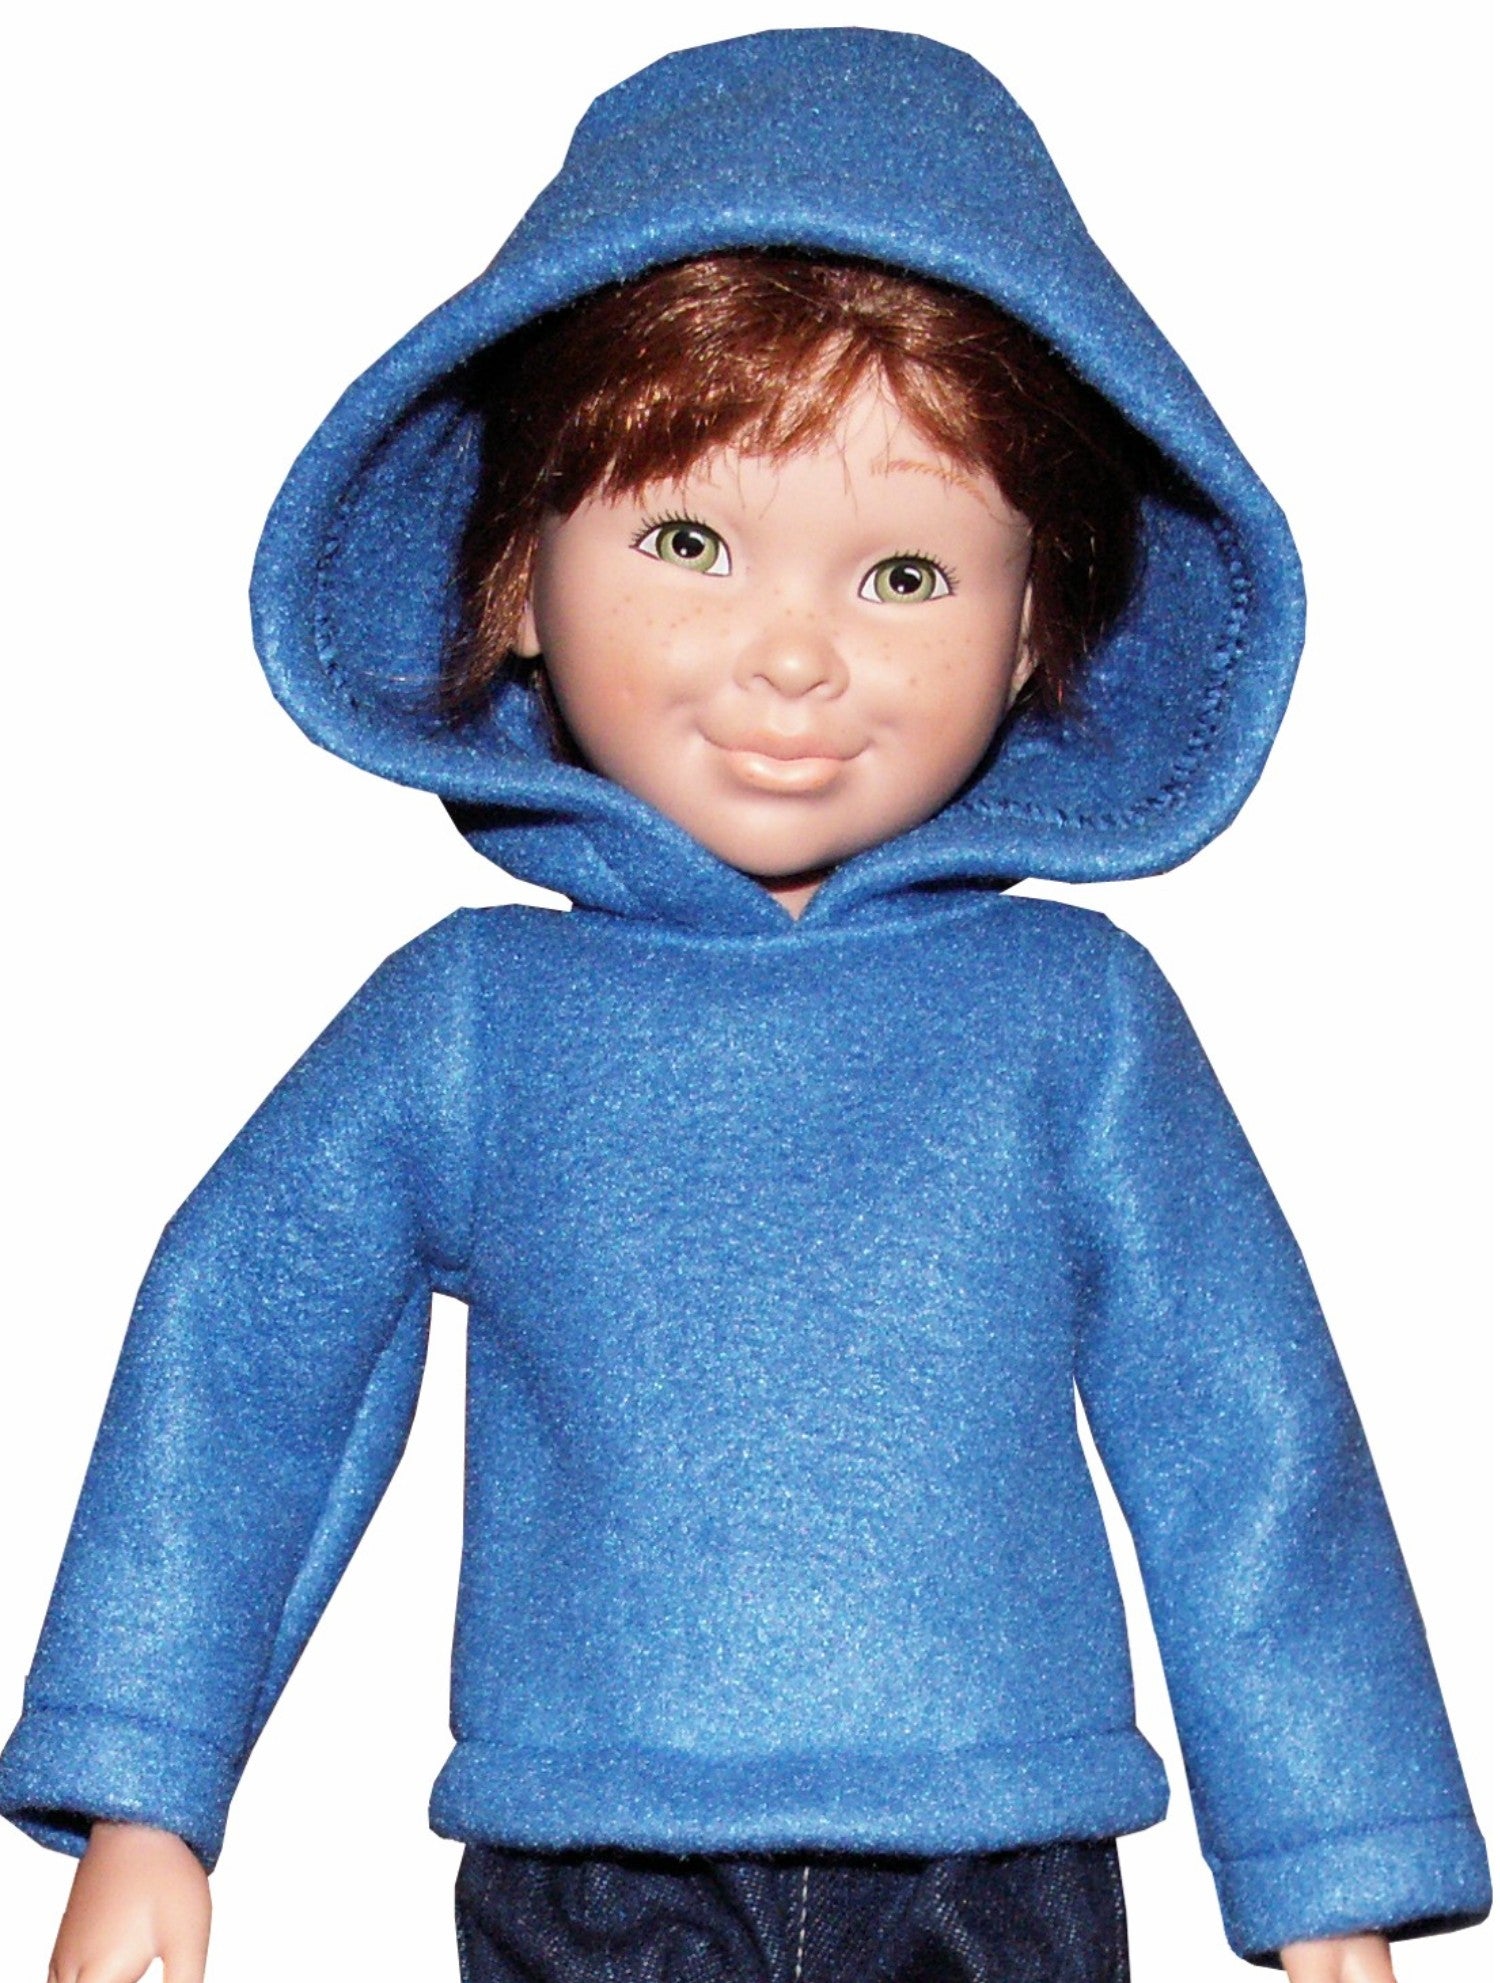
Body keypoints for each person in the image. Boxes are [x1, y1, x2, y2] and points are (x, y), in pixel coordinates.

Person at [1, 28, 1488, 1983]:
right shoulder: (472, 1019)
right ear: (517, 578)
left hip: (997, 1854)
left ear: (1032, 630)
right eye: (689, 542)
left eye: (905, 573)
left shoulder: (1076, 1022)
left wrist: (1328, 1860)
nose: (795, 656)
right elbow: (243, 1353)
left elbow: (1249, 1427)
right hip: (592, 1858)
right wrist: (149, 1782)